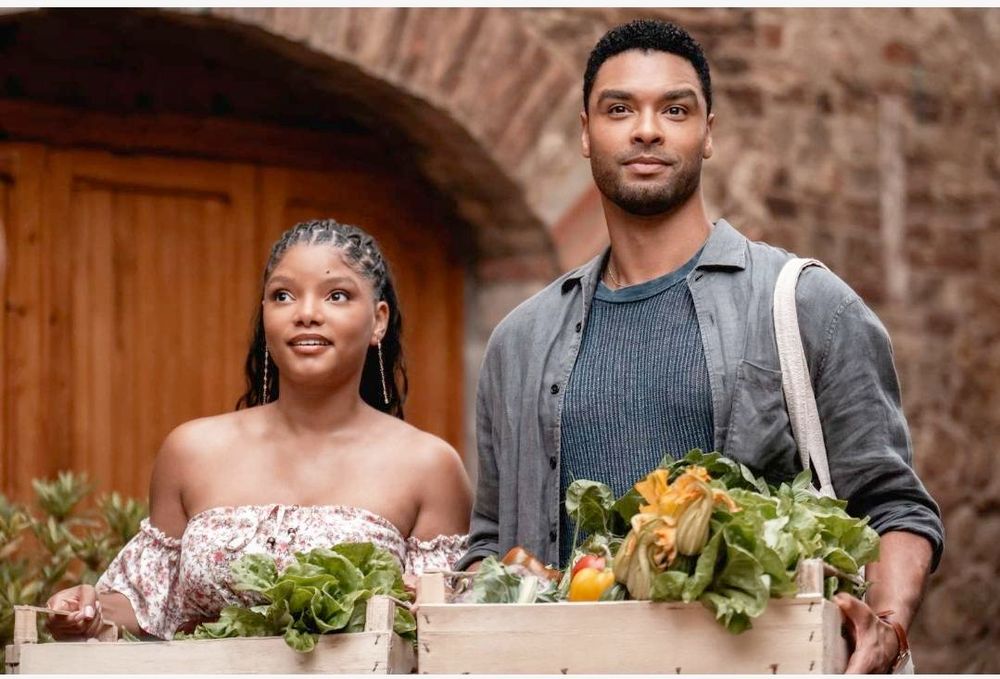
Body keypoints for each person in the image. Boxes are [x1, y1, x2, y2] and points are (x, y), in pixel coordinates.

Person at [457, 19, 943, 674]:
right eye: (619, 108)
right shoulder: (519, 341)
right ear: (584, 133)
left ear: (707, 132)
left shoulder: (805, 305)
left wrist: (886, 624)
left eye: (675, 109)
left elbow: (893, 505)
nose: (647, 129)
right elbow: (491, 543)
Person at [47, 218, 471, 640]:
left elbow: (441, 641)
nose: (306, 314)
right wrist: (88, 609)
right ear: (265, 316)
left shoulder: (429, 467)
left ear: (378, 321)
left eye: (336, 295)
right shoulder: (192, 451)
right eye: (283, 295)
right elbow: (149, 607)